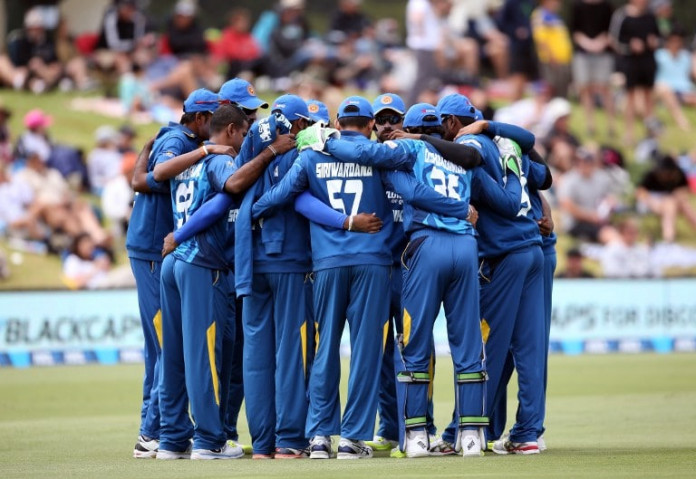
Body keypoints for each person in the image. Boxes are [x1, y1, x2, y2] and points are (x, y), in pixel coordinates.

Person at [252, 96, 396, 460]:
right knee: (366, 350)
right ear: (368, 125)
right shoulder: (377, 155)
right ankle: (352, 438)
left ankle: (319, 436)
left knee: (325, 347)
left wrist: (255, 210)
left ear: (337, 121)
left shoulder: (310, 156)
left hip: (327, 262)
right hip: (372, 259)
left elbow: (277, 198)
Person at [158, 104, 280, 460]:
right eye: (242, 134)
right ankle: (209, 440)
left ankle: (171, 439)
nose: (243, 141)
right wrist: (270, 153)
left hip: (176, 262)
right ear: (229, 131)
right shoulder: (220, 158)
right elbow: (232, 186)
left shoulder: (189, 159)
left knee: (176, 356)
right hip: (200, 262)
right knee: (203, 356)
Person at [127, 88, 223, 459]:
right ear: (198, 120)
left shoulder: (176, 137)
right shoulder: (179, 139)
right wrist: (204, 151)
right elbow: (150, 176)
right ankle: (151, 433)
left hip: (160, 250)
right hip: (154, 250)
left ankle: (162, 430)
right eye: (211, 121)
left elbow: (143, 176)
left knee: (167, 345)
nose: (214, 130)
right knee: (164, 346)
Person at [609, 0, 660, 145]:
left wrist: (654, 42)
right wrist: (630, 46)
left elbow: (659, 37)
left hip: (648, 61)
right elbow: (614, 40)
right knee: (630, 98)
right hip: (630, 62)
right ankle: (629, 134)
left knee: (649, 97)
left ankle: (651, 133)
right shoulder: (622, 15)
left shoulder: (651, 15)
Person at [569, 0, 615, 137]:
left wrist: (600, 43)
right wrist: (588, 43)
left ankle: (610, 126)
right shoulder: (577, 6)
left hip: (604, 53)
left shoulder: (607, 6)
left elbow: (611, 31)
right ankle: (590, 125)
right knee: (585, 88)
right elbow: (574, 31)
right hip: (583, 54)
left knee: (605, 89)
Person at [636, 155, 696, 243]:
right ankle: (669, 239)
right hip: (654, 203)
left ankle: (669, 239)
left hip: (673, 202)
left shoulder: (678, 175)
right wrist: (651, 200)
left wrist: (679, 194)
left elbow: (686, 189)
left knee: (683, 204)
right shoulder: (651, 175)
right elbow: (640, 192)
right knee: (670, 205)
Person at [654, 27, 696, 131]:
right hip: (665, 91)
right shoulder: (659, 55)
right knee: (664, 89)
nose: (676, 44)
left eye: (678, 41)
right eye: (673, 41)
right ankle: (683, 123)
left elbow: (693, 73)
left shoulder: (686, 56)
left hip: (685, 91)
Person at [530, 0, 573, 98]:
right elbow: (540, 39)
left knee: (562, 91)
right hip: (551, 60)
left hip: (563, 60)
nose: (558, 3)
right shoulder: (540, 15)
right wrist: (551, 56)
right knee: (550, 89)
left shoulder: (555, 16)